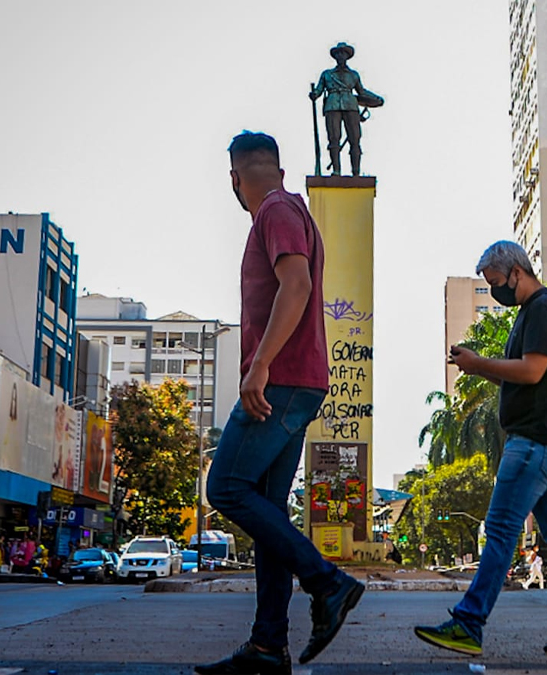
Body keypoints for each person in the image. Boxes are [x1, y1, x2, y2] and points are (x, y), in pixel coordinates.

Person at [197, 132, 364, 675]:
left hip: (283, 382)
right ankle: (268, 645)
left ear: (234, 178)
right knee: (266, 510)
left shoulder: (276, 211)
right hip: (298, 382)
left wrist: (261, 364)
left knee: (224, 487)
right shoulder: (288, 209)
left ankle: (328, 583)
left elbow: (296, 284)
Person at [414, 241, 547, 657]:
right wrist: (481, 367)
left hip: (535, 443)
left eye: (497, 283)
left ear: (517, 272)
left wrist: (478, 363)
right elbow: (526, 379)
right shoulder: (542, 310)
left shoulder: (542, 309)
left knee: (501, 530)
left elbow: (532, 370)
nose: (496, 291)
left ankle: (469, 622)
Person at [310, 42, 372, 176]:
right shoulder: (327, 74)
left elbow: (362, 92)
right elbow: (319, 89)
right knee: (334, 139)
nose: (340, 56)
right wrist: (314, 94)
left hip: (350, 105)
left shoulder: (354, 75)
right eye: (338, 53)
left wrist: (376, 98)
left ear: (347, 56)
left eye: (343, 53)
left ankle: (356, 172)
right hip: (332, 105)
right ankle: (336, 170)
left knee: (355, 139)